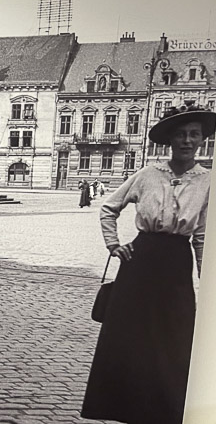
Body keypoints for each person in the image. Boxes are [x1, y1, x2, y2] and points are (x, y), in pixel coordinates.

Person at [81, 101, 215, 424]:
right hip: (141, 263)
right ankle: (125, 410)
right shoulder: (146, 175)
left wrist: (206, 282)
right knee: (132, 340)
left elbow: (201, 235)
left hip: (176, 267)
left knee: (176, 340)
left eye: (194, 134)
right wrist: (114, 245)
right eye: (180, 134)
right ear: (169, 140)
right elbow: (108, 208)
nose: (187, 141)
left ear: (202, 140)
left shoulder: (207, 181)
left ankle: (164, 412)